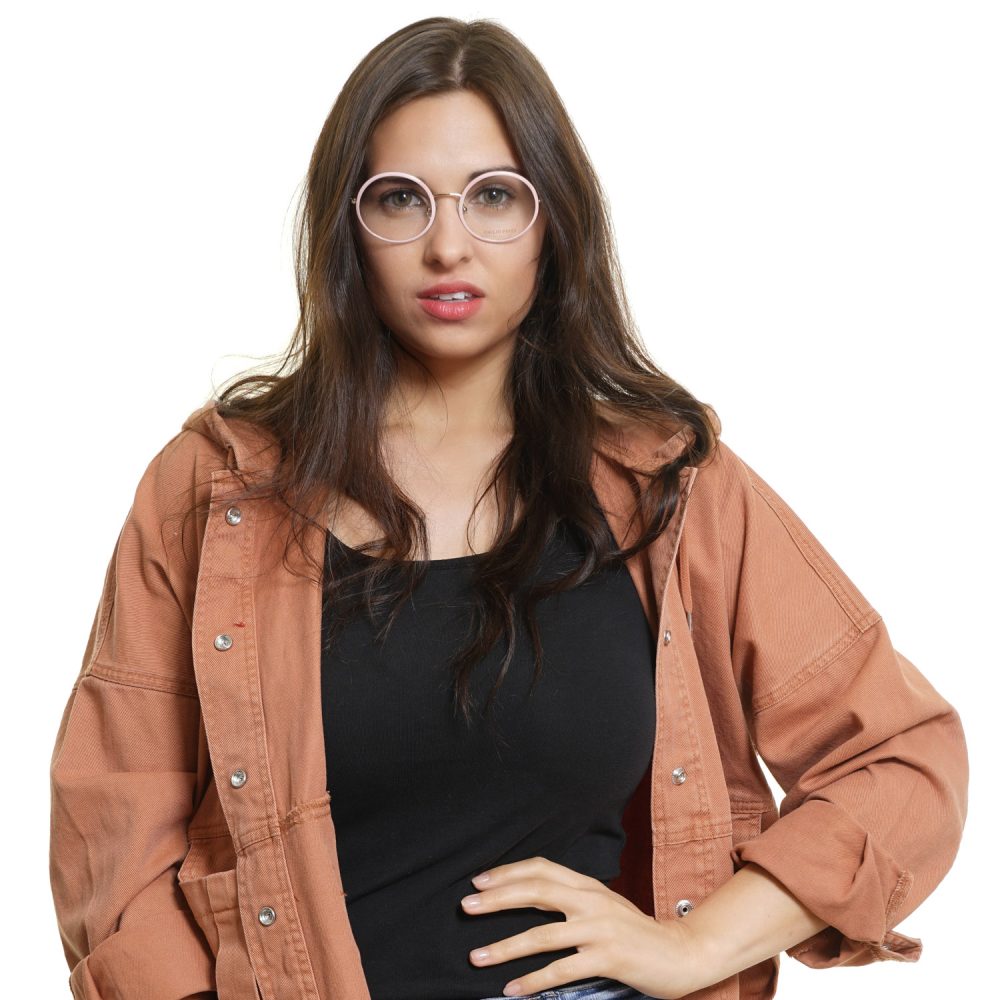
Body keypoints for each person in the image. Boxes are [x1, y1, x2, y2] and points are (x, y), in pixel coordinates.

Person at [48, 16, 968, 1000]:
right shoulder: (215, 489)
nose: (447, 245)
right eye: (399, 198)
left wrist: (700, 946)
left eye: (494, 195)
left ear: (552, 223)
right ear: (346, 228)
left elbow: (901, 760)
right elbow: (114, 837)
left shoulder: (670, 486)